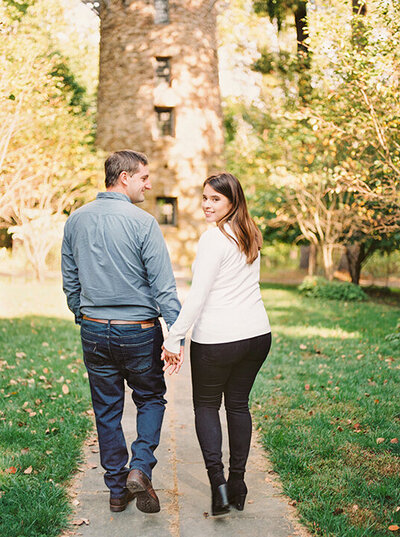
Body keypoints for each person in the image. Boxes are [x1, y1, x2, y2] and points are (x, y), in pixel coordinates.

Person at [61, 150, 182, 514]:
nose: (149, 184)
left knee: (106, 410)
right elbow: (163, 288)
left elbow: (70, 281)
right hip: (139, 332)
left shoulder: (76, 220)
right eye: (144, 177)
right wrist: (176, 335)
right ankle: (140, 467)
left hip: (95, 330)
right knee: (150, 399)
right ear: (124, 177)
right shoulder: (143, 223)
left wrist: (84, 315)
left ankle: (117, 490)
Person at [162, 172, 271, 516]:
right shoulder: (250, 234)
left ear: (232, 202)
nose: (207, 205)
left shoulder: (214, 239)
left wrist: (173, 338)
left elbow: (197, 297)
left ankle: (220, 486)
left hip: (219, 340)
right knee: (238, 405)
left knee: (207, 407)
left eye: (215, 199)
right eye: (205, 198)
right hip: (256, 336)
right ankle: (238, 484)